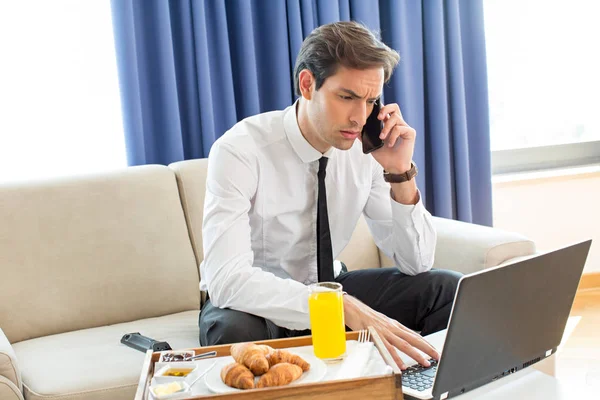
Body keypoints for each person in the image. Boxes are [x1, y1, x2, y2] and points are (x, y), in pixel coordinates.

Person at [198, 21, 461, 370]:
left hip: (330, 286)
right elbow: (227, 280)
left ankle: (418, 389)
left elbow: (417, 263)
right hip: (256, 303)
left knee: (446, 290)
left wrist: (400, 173)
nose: (359, 117)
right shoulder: (240, 150)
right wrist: (340, 306)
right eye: (347, 97)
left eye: (370, 101)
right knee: (234, 331)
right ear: (308, 85)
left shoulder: (365, 150)